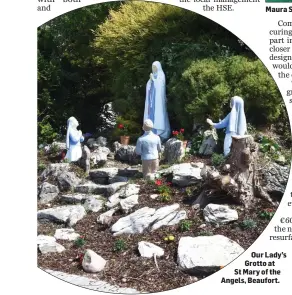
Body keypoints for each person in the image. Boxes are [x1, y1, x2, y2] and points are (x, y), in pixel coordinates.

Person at [143, 61, 171, 142]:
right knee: (150, 115)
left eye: (155, 67)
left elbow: (160, 86)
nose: (154, 69)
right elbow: (148, 86)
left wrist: (154, 80)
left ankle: (160, 133)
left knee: (159, 116)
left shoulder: (161, 75)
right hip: (151, 101)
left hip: (158, 101)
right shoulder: (152, 75)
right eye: (153, 67)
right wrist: (151, 81)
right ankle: (149, 132)